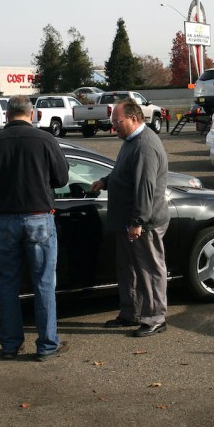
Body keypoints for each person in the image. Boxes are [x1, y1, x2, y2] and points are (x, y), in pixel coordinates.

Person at [0, 95, 70, 361]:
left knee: (7, 284)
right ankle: (47, 345)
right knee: (43, 283)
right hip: (39, 218)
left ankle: (10, 345)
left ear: (7, 115)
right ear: (32, 114)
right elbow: (62, 178)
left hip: (6, 220)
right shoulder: (46, 140)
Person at [90, 100, 170, 337]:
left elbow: (145, 187)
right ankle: (131, 313)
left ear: (134, 119)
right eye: (113, 121)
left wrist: (138, 222)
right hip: (127, 221)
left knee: (149, 269)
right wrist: (105, 181)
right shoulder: (130, 141)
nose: (114, 126)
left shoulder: (144, 146)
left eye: (117, 121)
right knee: (128, 270)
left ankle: (155, 317)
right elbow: (122, 171)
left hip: (144, 223)